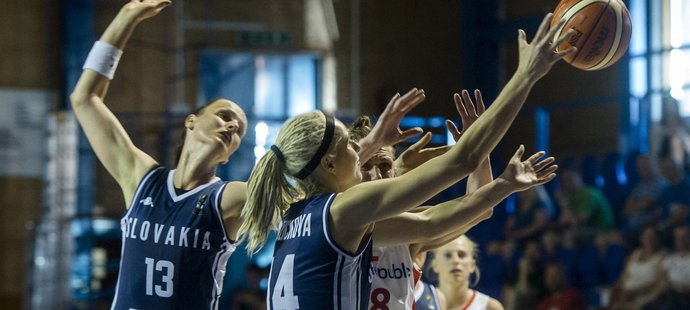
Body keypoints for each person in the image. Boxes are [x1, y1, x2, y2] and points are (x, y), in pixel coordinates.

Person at [239, 13, 576, 309]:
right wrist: (526, 75)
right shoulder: (343, 210)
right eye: (352, 147)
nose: (362, 150)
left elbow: (434, 220)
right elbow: (463, 158)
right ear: (327, 164)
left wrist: (502, 184)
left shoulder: (295, 213)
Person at [70, 1, 249, 308]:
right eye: (225, 114)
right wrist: (126, 18)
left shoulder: (230, 198)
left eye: (239, 131)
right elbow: (85, 98)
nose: (232, 125)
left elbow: (306, 206)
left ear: (227, 156)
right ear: (191, 121)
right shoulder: (143, 179)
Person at [432, 235, 504, 310]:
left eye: (461, 255)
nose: (455, 260)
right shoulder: (421, 301)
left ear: (472, 265)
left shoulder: (490, 307)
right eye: (448, 255)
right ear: (435, 265)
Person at [608, 226, 666, 310]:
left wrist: (633, 291)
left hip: (645, 294)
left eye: (653, 237)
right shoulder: (634, 254)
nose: (649, 239)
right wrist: (615, 288)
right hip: (626, 293)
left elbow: (657, 282)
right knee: (613, 304)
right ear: (641, 238)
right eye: (646, 236)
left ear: (658, 239)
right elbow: (623, 277)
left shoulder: (662, 256)